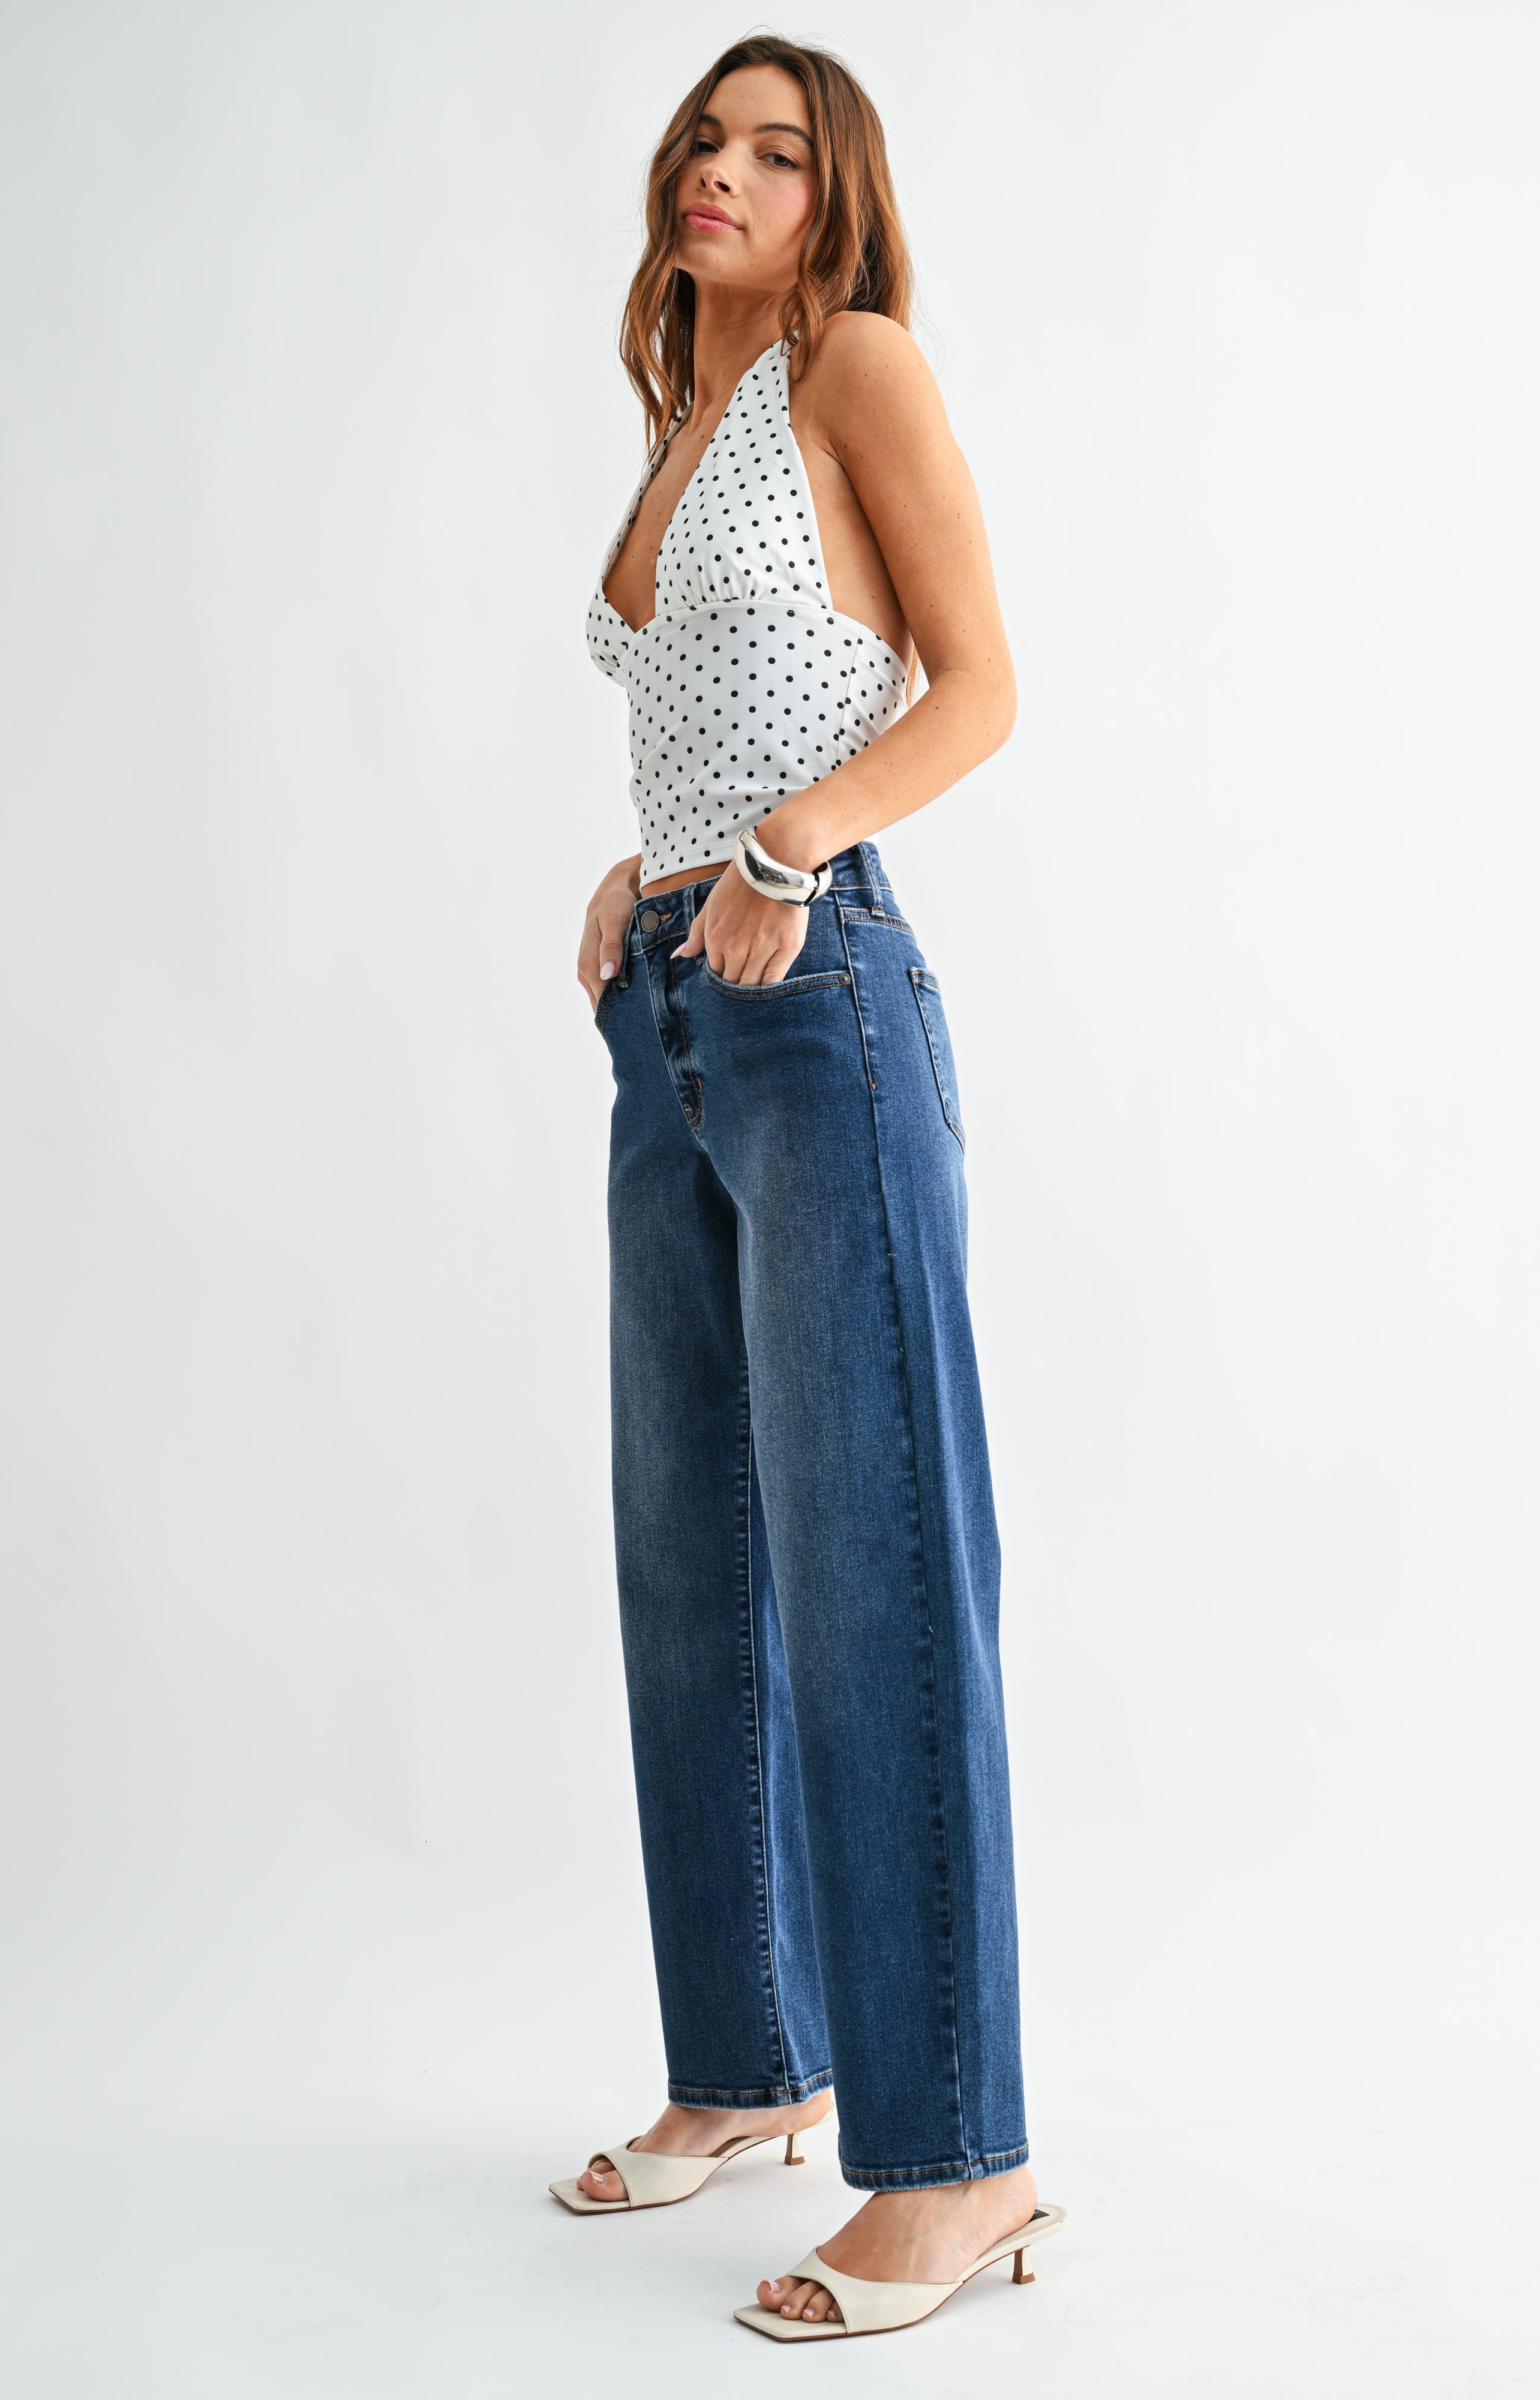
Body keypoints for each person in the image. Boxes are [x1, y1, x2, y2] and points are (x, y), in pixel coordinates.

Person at [557, 36, 1064, 2341]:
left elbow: (972, 692)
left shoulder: (855, 366)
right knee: (692, 1567)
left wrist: (777, 847)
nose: (720, 170)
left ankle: (959, 2160)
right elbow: (721, 701)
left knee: (874, 1573)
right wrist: (648, 867)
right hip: (672, 1022)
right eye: (702, 136)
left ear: (834, 193)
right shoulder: (686, 412)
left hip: (819, 1001)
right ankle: (743, 2069)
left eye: (774, 148)